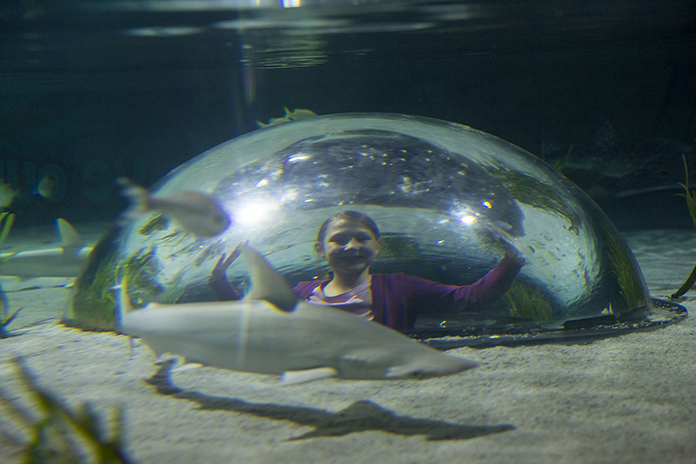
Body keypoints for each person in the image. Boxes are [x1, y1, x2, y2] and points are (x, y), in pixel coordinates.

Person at [209, 211, 525, 332]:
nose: (351, 247)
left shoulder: (401, 287)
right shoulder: (301, 292)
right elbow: (254, 316)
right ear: (320, 249)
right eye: (339, 240)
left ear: (378, 246)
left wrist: (511, 260)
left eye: (361, 238)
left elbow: (471, 299)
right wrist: (219, 283)